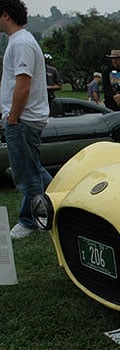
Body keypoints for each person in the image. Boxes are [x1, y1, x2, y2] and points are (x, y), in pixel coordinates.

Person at [0, 0, 52, 239]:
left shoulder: (21, 43)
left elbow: (23, 85)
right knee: (34, 170)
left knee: (26, 174)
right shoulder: (20, 41)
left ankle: (30, 220)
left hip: (23, 119)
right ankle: (57, 200)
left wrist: (12, 118)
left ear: (5, 15)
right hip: (24, 118)